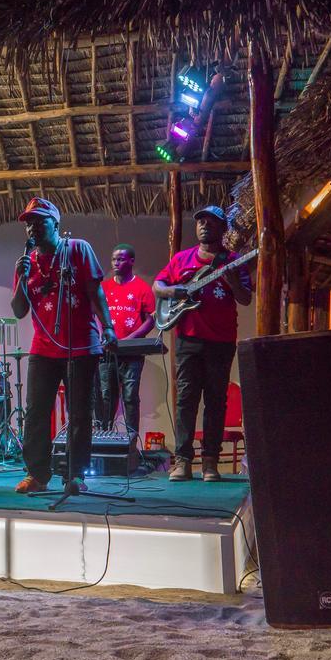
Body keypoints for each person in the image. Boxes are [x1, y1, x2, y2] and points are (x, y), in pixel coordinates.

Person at [11, 198, 116, 494]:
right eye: (28, 223)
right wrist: (21, 278)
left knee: (80, 414)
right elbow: (19, 310)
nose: (32, 228)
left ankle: (75, 475)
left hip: (81, 347)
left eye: (39, 221)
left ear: (55, 223)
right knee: (36, 413)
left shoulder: (78, 249)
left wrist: (108, 327)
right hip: (43, 348)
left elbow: (96, 293)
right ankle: (37, 475)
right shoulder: (26, 262)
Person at [153, 205, 252, 482]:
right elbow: (158, 286)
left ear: (223, 228)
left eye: (211, 222)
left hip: (221, 341)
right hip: (188, 339)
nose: (204, 226)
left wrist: (233, 281)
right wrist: (173, 291)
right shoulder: (181, 259)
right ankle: (183, 461)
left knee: (216, 401)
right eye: (201, 222)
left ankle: (210, 462)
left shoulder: (233, 261)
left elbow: (245, 298)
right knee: (186, 399)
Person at [98, 243, 156, 442]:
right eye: (114, 259)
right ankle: (104, 439)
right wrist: (103, 335)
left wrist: (130, 340)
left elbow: (150, 319)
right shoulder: (104, 287)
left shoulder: (142, 288)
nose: (116, 263)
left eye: (121, 259)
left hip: (131, 353)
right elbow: (95, 314)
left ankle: (131, 442)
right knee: (107, 397)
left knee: (130, 396)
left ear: (131, 261)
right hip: (107, 352)